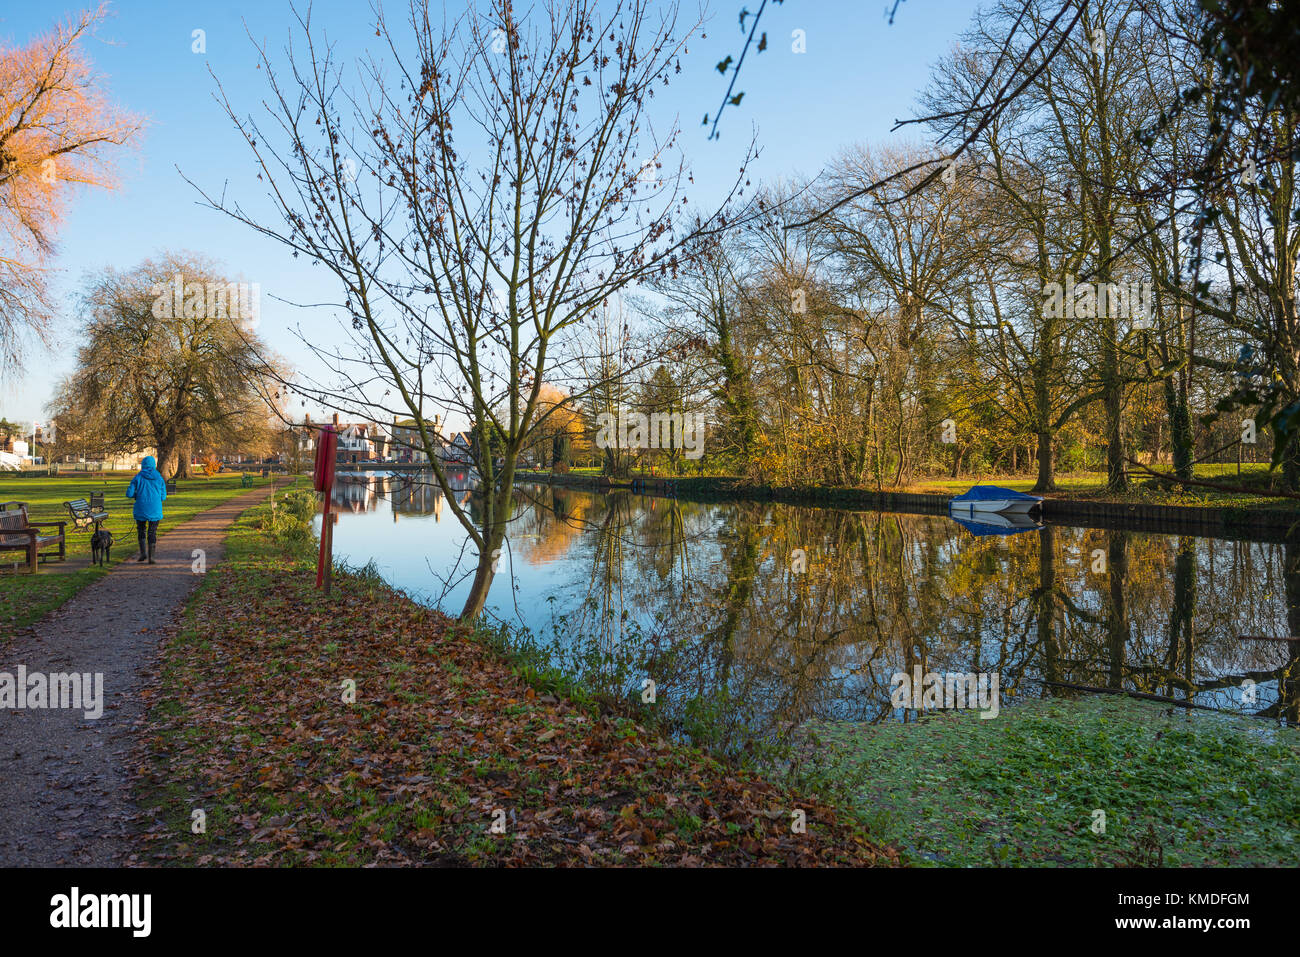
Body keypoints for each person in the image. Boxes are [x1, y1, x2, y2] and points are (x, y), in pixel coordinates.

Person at [126, 455, 167, 564]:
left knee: (141, 530)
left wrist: (135, 493)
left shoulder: (138, 477)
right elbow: (163, 497)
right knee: (152, 531)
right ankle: (151, 557)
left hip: (141, 508)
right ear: (154, 465)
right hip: (155, 509)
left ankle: (143, 553)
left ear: (143, 465)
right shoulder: (159, 478)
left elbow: (129, 494)